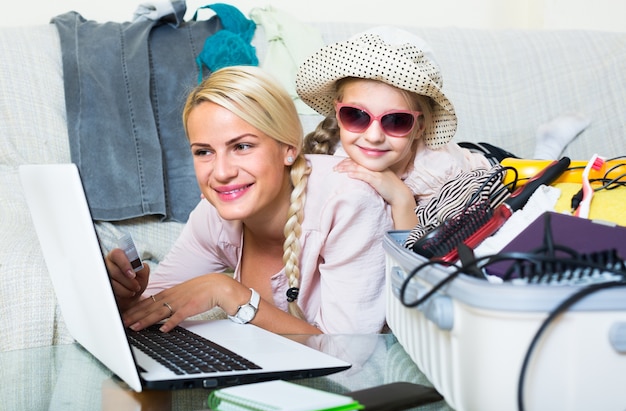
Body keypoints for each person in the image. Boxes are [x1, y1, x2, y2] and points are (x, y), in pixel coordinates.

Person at [105, 65, 393, 335]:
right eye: (204, 152)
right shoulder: (214, 212)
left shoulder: (349, 204)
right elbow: (153, 307)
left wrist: (228, 292)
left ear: (288, 148)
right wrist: (124, 296)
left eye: (242, 146)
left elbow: (351, 358)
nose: (220, 173)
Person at [295, 26, 493, 230]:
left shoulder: (438, 172)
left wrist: (402, 198)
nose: (373, 137)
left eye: (396, 121)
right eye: (356, 115)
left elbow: (421, 253)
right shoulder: (336, 157)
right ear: (338, 113)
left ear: (420, 127)